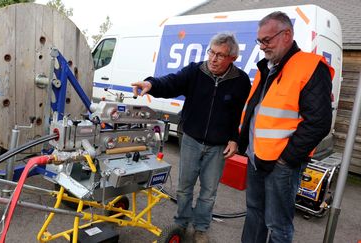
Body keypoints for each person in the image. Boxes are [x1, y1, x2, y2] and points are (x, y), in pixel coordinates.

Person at [132, 33, 251, 243]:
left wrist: (235, 140)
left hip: (217, 146)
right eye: (211, 52)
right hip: (191, 140)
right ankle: (182, 221)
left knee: (209, 191)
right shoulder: (195, 71)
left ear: (232, 58)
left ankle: (201, 228)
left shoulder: (240, 81)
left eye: (220, 55)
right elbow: (172, 82)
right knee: (184, 187)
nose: (213, 59)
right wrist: (151, 84)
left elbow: (238, 113)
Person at [238, 11, 334, 243]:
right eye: (259, 41)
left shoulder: (310, 66)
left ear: (287, 35)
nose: (262, 46)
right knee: (254, 213)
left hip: (281, 164)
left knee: (278, 225)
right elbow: (257, 111)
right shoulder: (269, 67)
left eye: (266, 40)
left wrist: (287, 159)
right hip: (256, 157)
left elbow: (319, 122)